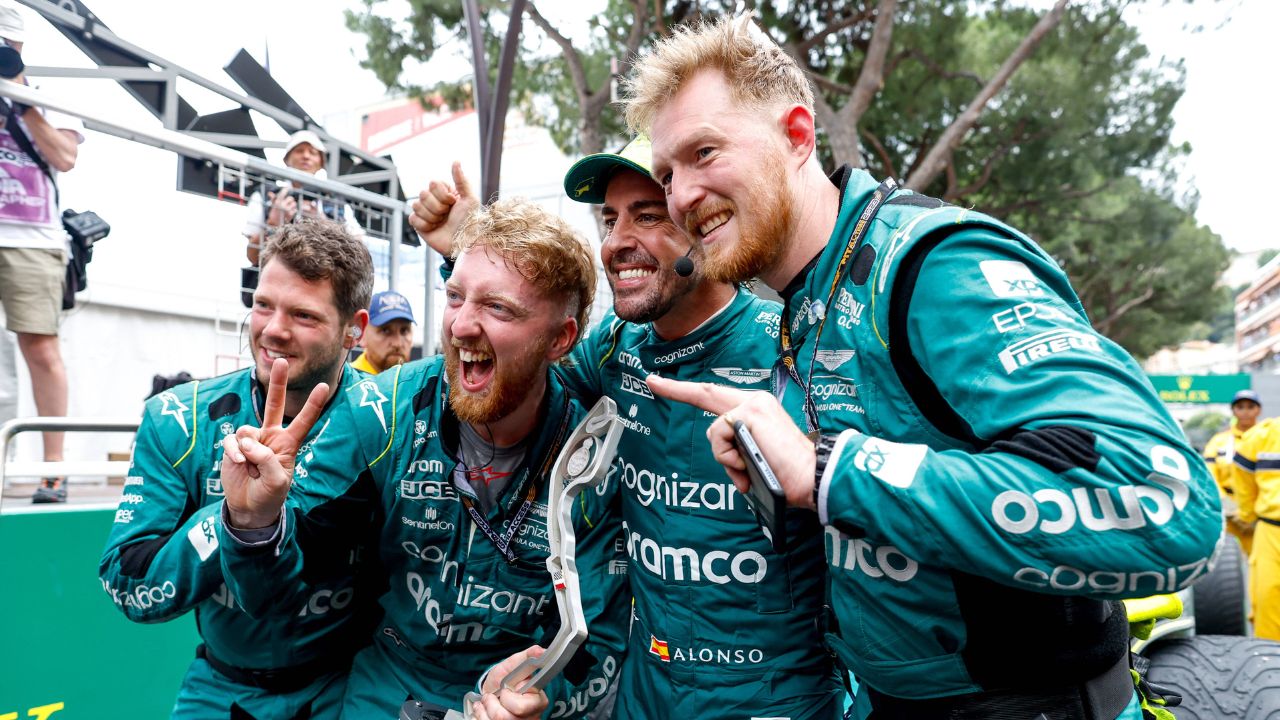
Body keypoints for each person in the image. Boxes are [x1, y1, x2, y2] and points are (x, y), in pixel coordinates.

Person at [625, 15, 1223, 719]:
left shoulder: (935, 266)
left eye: (704, 152)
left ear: (797, 134)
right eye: (667, 173)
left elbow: (1168, 507)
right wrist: (783, 465)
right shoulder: (809, 298)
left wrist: (831, 471)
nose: (682, 195)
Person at [411, 149, 844, 718]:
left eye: (647, 215)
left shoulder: (794, 352)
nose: (616, 242)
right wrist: (469, 251)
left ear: (704, 224)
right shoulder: (613, 350)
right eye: (610, 220)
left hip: (778, 700)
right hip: (645, 698)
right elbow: (522, 354)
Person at [217, 197, 629, 719]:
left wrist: (547, 701)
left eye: (498, 307)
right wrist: (254, 524)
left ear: (560, 338)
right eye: (455, 297)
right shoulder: (379, 413)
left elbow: (602, 638)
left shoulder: (593, 447)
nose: (460, 327)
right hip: (389, 690)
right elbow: (273, 600)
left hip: (513, 697)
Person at [99, 218, 379, 720]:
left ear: (354, 330)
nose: (273, 329)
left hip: (349, 683)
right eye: (263, 305)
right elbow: (129, 584)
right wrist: (234, 521)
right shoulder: (179, 418)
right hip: (220, 685)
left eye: (304, 315)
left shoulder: (389, 416)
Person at [0, 4, 84, 503]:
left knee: (41, 350)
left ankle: (55, 468)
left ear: (20, 46)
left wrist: (21, 98)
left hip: (31, 236)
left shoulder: (46, 96)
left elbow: (66, 157)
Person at [240, 130, 351, 307]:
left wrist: (321, 222)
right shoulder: (265, 195)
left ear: (321, 162)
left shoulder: (335, 202)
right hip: (275, 293)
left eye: (312, 152)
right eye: (299, 151)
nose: (306, 156)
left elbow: (353, 253)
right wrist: (275, 222)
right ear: (287, 159)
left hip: (319, 293)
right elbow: (252, 254)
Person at [1233, 405, 1280, 640]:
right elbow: (1242, 480)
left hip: (1268, 528)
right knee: (1267, 599)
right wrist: (1248, 514)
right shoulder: (1262, 436)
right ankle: (1272, 664)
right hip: (1271, 531)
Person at [1205, 389, 1261, 555]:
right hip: (1228, 514)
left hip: (1258, 514)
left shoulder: (1267, 438)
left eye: (1250, 406)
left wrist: (1251, 512)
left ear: (1258, 410)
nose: (1245, 411)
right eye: (1240, 406)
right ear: (1233, 410)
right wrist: (1229, 507)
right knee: (1227, 564)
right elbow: (1210, 475)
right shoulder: (1219, 441)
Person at [351, 289, 415, 374]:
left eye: (404, 331)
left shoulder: (418, 383)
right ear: (363, 335)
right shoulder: (347, 383)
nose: (397, 344)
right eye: (386, 331)